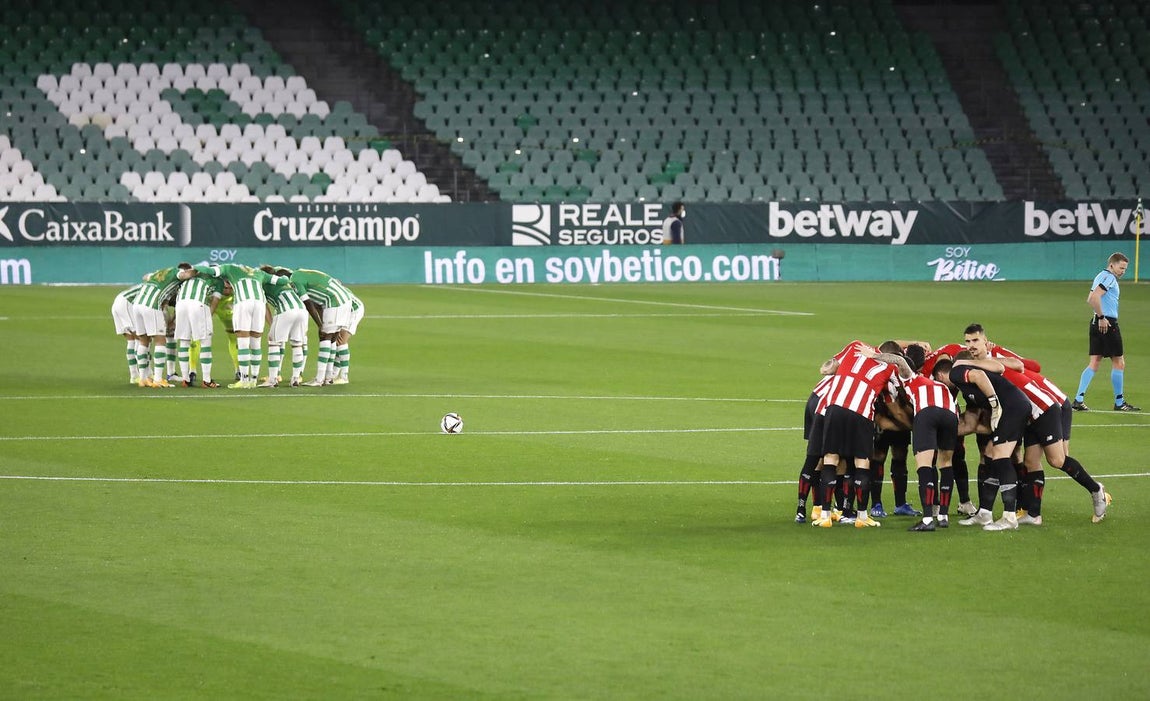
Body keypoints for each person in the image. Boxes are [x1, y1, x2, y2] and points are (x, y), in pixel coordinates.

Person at [812, 342, 914, 529]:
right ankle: (861, 516)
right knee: (862, 462)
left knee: (830, 459)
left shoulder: (855, 345)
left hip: (835, 407)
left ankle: (825, 516)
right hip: (861, 413)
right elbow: (903, 386)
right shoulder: (891, 367)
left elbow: (831, 366)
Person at [940, 351, 1030, 531]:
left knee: (1001, 457)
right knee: (989, 454)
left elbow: (979, 374)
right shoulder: (967, 390)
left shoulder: (956, 372)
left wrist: (994, 404)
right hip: (1013, 408)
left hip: (1013, 408)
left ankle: (1009, 517)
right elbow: (970, 425)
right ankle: (985, 513)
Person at [1074, 252, 1139, 411]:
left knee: (1094, 362)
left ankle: (1078, 400)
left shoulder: (1100, 276)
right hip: (1107, 323)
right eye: (1121, 267)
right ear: (1112, 265)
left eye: (1125, 269)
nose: (1123, 271)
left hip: (1096, 322)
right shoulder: (1109, 278)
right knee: (1119, 362)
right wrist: (1103, 317)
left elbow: (1090, 298)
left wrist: (1098, 316)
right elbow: (1095, 297)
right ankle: (1119, 403)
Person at [132, 263, 191, 388]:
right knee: (160, 340)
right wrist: (197, 271)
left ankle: (143, 378)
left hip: (137, 304)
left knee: (143, 340)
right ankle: (158, 379)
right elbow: (186, 274)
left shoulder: (160, 272)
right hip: (151, 305)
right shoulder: (177, 272)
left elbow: (145, 276)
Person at [174, 266, 225, 388]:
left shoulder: (192, 274)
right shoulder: (218, 281)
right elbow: (215, 301)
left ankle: (185, 379)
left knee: (184, 341)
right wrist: (208, 317)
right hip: (198, 304)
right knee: (205, 341)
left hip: (180, 304)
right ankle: (207, 380)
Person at [260, 269, 309, 388]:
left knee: (273, 342)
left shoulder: (263, 285)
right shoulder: (285, 284)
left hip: (286, 310)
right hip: (302, 310)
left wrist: (271, 323)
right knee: (297, 343)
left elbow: (264, 307)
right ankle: (295, 378)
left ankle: (272, 379)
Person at [111, 282, 144, 384]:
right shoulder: (156, 289)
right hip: (126, 303)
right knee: (141, 338)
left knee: (131, 340)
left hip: (118, 301)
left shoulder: (146, 284)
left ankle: (134, 375)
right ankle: (145, 375)